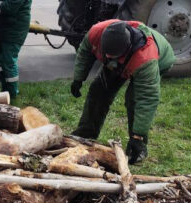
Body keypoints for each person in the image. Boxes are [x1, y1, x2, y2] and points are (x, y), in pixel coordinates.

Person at [69, 19, 175, 164]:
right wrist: (78, 78)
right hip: (123, 61)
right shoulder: (96, 32)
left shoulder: (145, 59)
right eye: (107, 54)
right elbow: (85, 52)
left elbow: (147, 99)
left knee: (133, 100)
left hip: (159, 60)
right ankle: (85, 134)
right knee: (98, 91)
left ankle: (138, 146)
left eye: (113, 56)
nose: (108, 58)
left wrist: (138, 136)